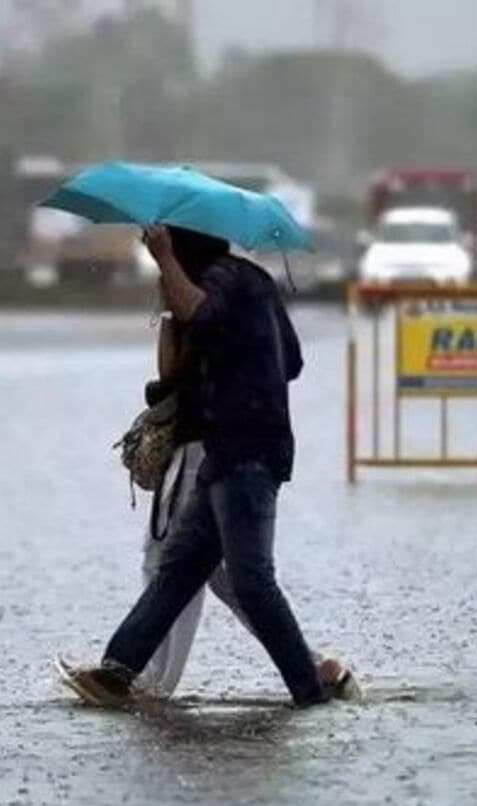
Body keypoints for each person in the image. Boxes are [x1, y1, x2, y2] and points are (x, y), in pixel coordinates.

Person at [63, 225, 334, 708]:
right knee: (179, 569)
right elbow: (286, 360)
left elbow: (205, 316)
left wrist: (165, 261)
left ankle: (311, 686)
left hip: (247, 451)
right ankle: (117, 674)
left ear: (184, 248)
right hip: (225, 453)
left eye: (170, 248)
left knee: (251, 581)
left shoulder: (226, 280)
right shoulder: (247, 285)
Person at [133, 282, 359, 701]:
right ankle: (313, 666)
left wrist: (168, 309)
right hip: (226, 446)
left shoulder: (203, 295)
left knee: (170, 561)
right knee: (224, 575)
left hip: (205, 447)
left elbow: (171, 373)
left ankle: (149, 678)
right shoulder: (237, 290)